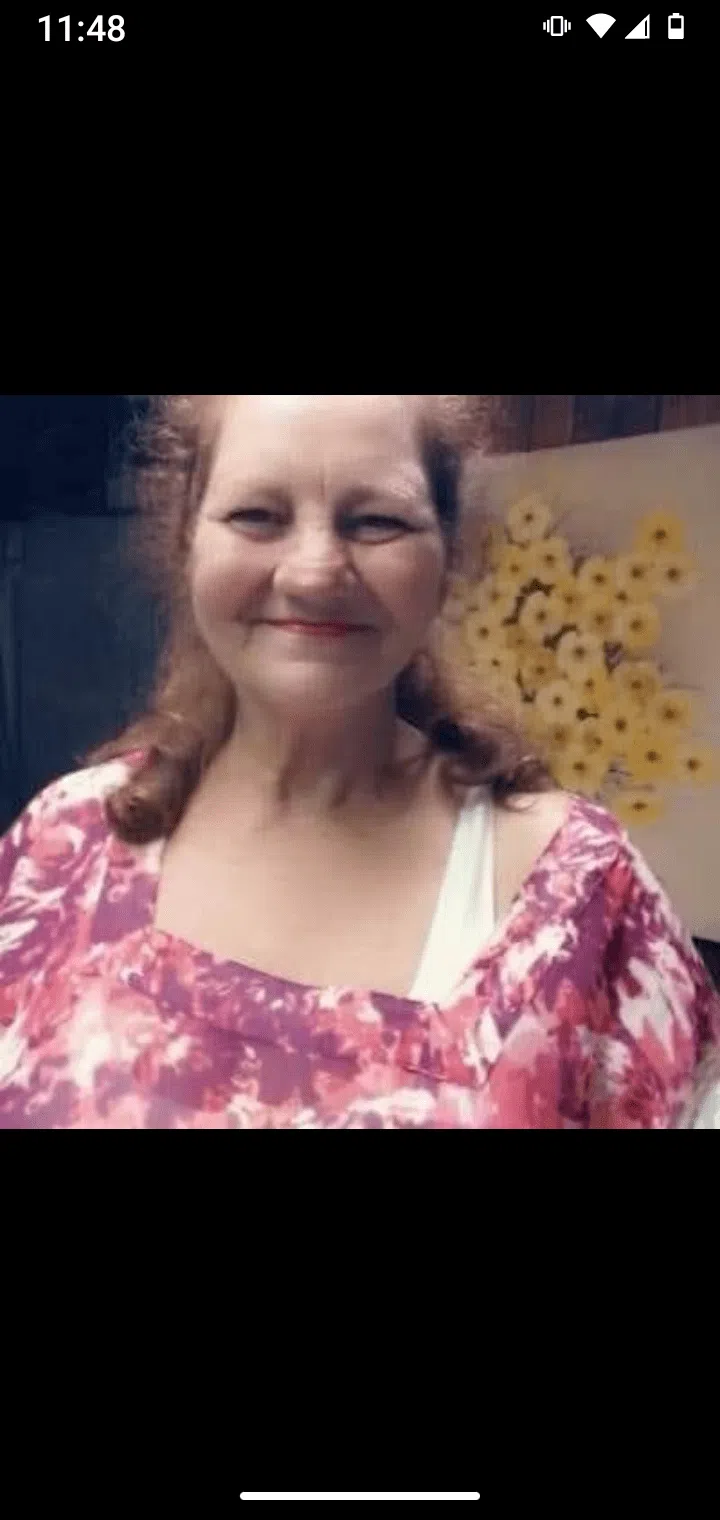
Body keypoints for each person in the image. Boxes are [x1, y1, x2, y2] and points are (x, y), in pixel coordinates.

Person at [0, 393, 718, 1129]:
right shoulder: (64, 847)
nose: (313, 574)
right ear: (189, 539)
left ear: (446, 554)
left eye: (376, 521)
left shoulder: (579, 901)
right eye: (257, 515)